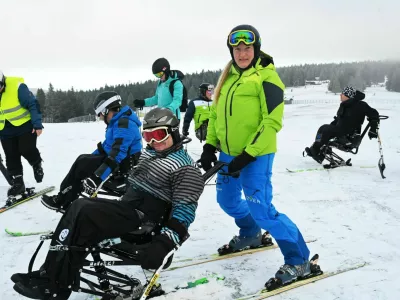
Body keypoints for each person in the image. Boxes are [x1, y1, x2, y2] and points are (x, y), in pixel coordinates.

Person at [12, 107, 204, 300]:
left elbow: (185, 211)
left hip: (145, 222)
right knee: (78, 210)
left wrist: (165, 243)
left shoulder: (185, 168)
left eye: (159, 135)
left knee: (83, 209)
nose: (153, 142)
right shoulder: (152, 153)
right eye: (147, 136)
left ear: (173, 131)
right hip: (130, 207)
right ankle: (50, 275)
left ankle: (56, 284)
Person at [199, 24, 311, 285]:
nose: (242, 53)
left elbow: (272, 122)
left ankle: (299, 259)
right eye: (236, 49)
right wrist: (209, 145)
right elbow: (216, 115)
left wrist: (248, 155)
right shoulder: (227, 77)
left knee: (264, 211)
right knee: (227, 201)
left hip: (257, 156)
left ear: (255, 48)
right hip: (228, 154)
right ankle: (250, 233)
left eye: (247, 48)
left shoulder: (267, 77)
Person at [41, 91, 142, 212]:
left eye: (100, 114)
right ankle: (65, 198)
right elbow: (105, 147)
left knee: (82, 164)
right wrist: (89, 158)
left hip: (123, 170)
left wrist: (97, 177)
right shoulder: (118, 122)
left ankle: (63, 201)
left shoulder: (124, 124)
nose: (100, 117)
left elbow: (117, 154)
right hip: (117, 164)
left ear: (106, 110)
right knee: (82, 160)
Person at [304, 86, 380, 163]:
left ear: (348, 96)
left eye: (342, 94)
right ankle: (318, 151)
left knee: (325, 129)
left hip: (349, 136)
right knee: (323, 129)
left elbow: (374, 114)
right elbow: (338, 119)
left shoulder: (361, 105)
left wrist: (373, 129)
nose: (340, 95)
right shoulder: (344, 105)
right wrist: (331, 126)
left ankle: (316, 151)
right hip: (340, 131)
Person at [0, 71, 44, 199]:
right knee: (11, 155)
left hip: (25, 126)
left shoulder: (17, 86)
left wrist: (37, 124)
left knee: (26, 149)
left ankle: (36, 164)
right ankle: (18, 183)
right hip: (5, 130)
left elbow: (33, 104)